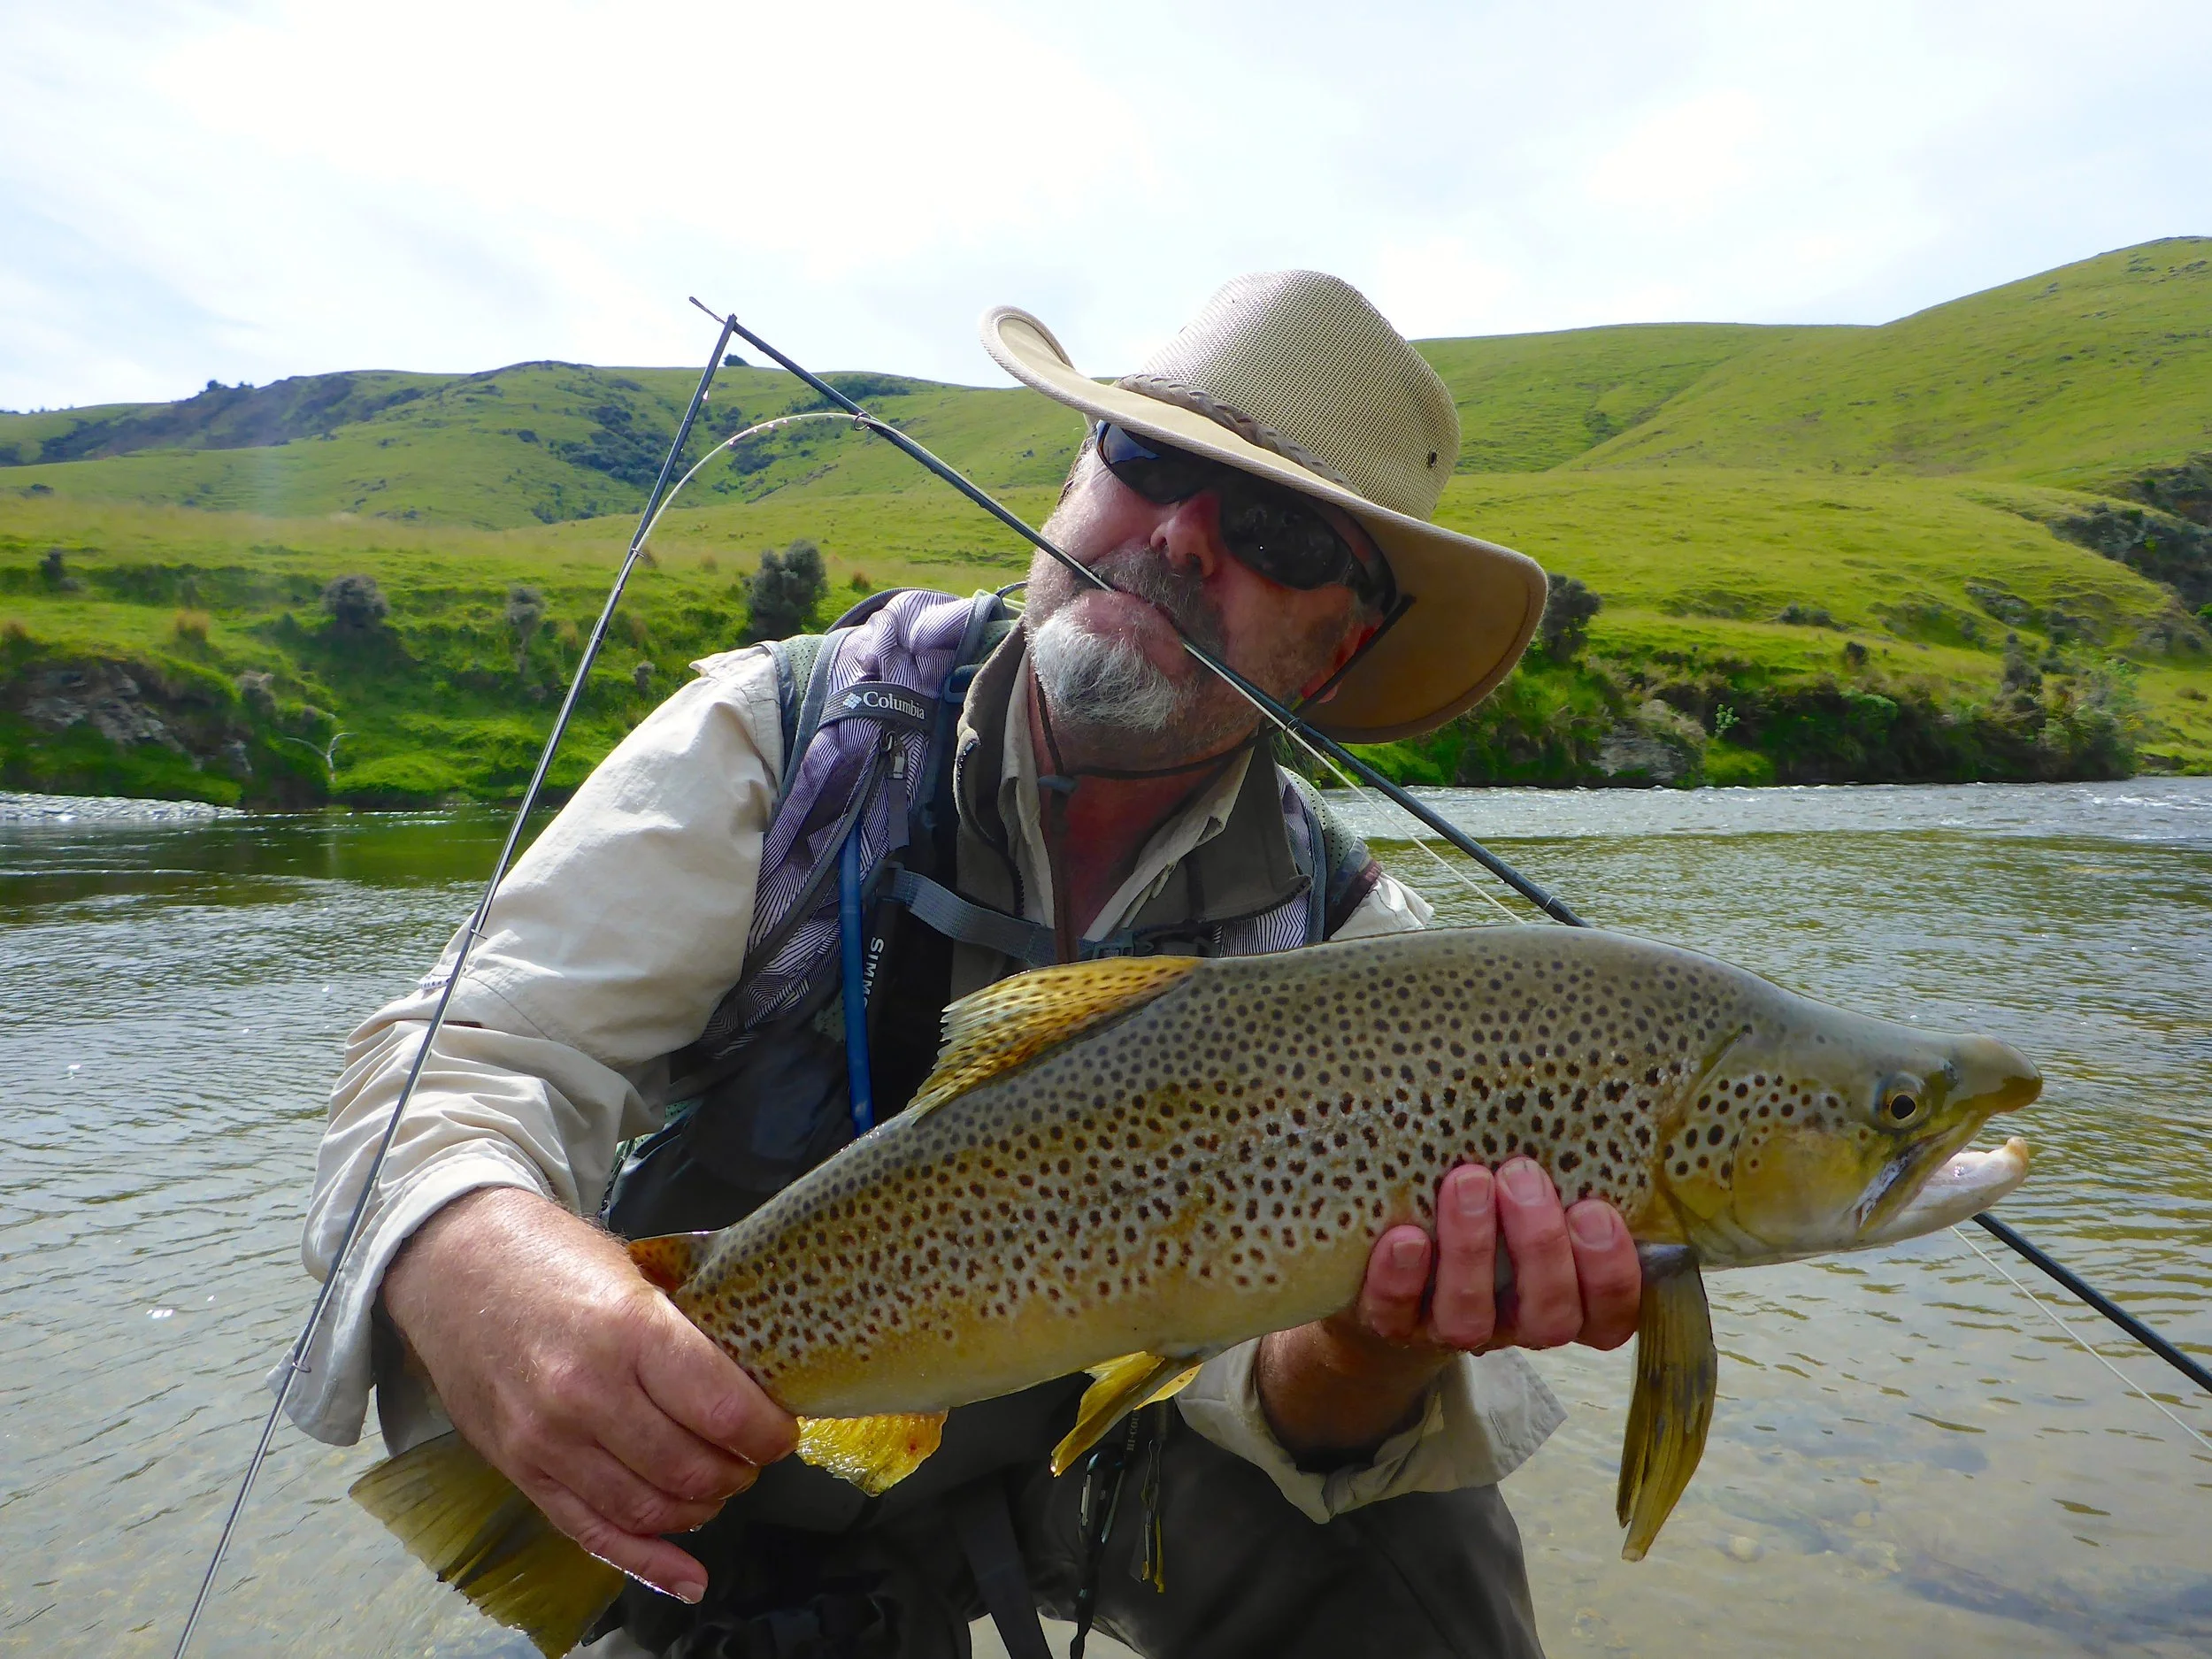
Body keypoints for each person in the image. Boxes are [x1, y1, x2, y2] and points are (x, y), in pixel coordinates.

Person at [296, 271, 1644, 1658]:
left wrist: (1373, 1349)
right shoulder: (789, 739)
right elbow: (456, 1062)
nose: (1182, 533)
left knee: (1412, 1531)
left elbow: (1284, 1400)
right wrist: (490, 1272)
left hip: (1119, 1459)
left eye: (1278, 527)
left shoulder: (1352, 950)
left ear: (1339, 640)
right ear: (1075, 478)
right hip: (743, 1436)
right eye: (1150, 455)